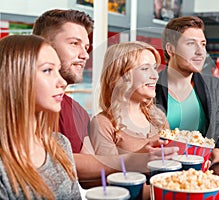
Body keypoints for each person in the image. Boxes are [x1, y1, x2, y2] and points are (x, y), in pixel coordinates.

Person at [90, 41, 179, 199]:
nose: (155, 75)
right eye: (145, 68)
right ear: (120, 77)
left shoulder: (158, 117)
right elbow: (110, 183)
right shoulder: (103, 123)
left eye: (154, 67)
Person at [0, 35, 80, 199]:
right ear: (16, 78)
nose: (62, 82)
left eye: (58, 70)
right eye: (47, 70)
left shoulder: (60, 145)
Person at [32, 9, 102, 187]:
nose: (85, 54)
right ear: (44, 46)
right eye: (74, 43)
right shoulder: (19, 109)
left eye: (86, 47)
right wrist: (131, 160)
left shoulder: (78, 111)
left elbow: (92, 178)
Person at [155, 16, 219, 166]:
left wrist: (210, 158)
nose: (200, 52)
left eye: (203, 44)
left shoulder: (215, 87)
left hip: (200, 175)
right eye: (191, 44)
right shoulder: (149, 89)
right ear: (170, 49)